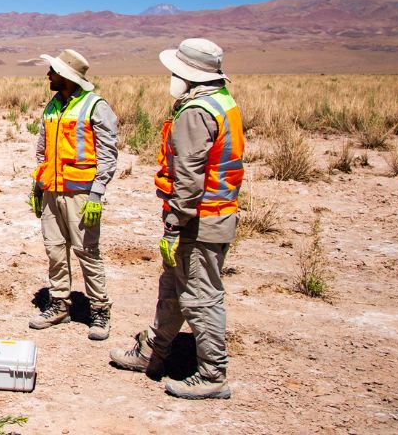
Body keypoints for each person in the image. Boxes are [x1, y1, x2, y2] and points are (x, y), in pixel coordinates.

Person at [109, 38, 243, 400]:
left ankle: (212, 374)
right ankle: (153, 353)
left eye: (175, 71)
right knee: (172, 288)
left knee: (201, 298)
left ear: (188, 75)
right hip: (212, 214)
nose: (171, 76)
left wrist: (174, 225)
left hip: (199, 221)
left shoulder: (196, 112)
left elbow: (188, 176)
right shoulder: (222, 103)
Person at [26, 49, 118, 340]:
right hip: (52, 191)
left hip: (81, 194)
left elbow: (108, 156)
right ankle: (59, 304)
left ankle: (100, 310)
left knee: (86, 251)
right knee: (54, 249)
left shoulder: (96, 107)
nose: (48, 75)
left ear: (65, 75)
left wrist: (96, 194)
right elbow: (42, 150)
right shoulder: (53, 105)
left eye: (52, 70)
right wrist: (38, 187)